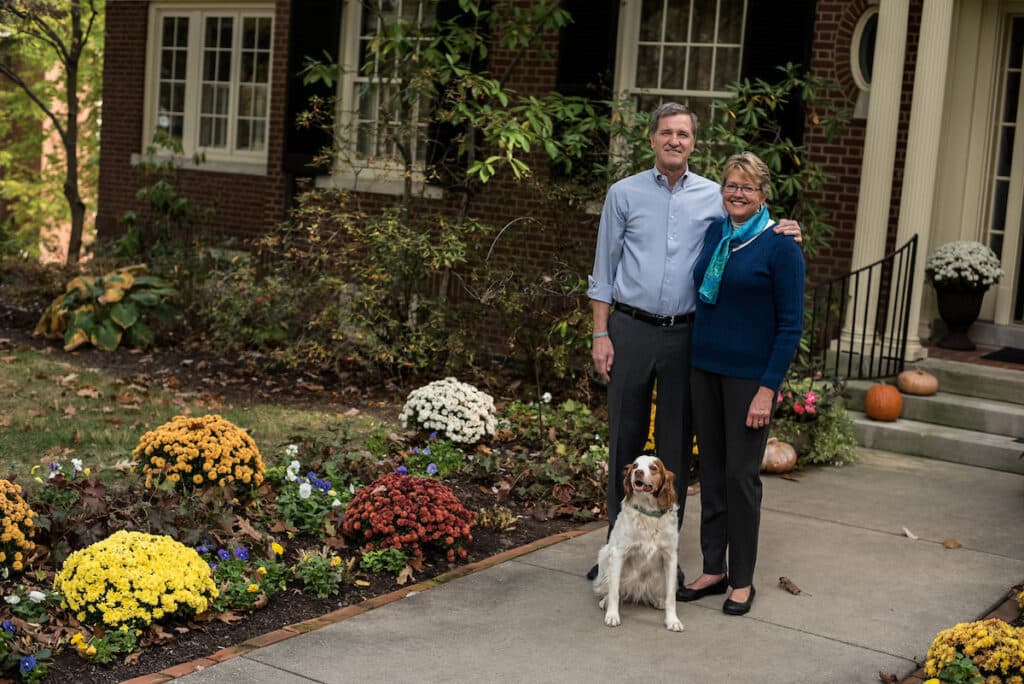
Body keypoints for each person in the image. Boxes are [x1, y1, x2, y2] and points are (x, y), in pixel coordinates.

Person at [586, 103, 800, 583]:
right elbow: (603, 269)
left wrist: (786, 228)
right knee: (623, 440)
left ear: (693, 143)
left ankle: (666, 559)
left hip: (686, 335)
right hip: (630, 329)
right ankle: (615, 551)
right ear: (652, 139)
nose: (674, 141)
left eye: (683, 134)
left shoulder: (713, 197)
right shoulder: (623, 194)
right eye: (666, 133)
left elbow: (751, 224)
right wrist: (601, 333)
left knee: (675, 449)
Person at [675, 151, 804, 615]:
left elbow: (790, 326)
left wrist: (767, 389)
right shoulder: (717, 233)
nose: (737, 193)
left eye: (747, 187)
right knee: (711, 472)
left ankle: (742, 580)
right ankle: (714, 568)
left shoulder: (781, 246)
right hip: (703, 369)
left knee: (740, 477)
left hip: (749, 381)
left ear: (763, 195)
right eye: (731, 185)